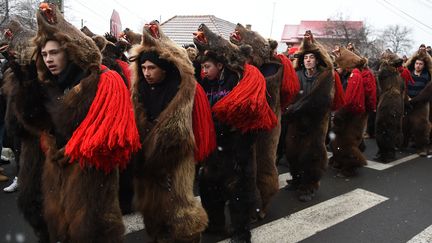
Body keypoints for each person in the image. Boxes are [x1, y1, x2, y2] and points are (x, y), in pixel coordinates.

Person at [4, 3, 141, 242]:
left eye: (54, 52)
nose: (48, 59)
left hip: (91, 180)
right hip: (57, 179)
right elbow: (33, 123)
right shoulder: (47, 84)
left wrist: (73, 146)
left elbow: (105, 137)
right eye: (44, 54)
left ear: (69, 51)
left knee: (92, 232)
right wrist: (24, 81)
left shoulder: (101, 82)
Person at [129, 22, 215, 243]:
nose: (147, 73)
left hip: (175, 161)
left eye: (152, 68)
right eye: (144, 68)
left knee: (178, 208)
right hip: (146, 163)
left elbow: (180, 133)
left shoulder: (180, 91)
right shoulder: (138, 92)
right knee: (152, 208)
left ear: (164, 69)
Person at [285, 30, 344, 201]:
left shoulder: (326, 77)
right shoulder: (296, 75)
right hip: (297, 121)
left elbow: (324, 101)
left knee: (312, 155)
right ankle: (296, 180)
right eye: (305, 58)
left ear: (317, 60)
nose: (308, 60)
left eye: (311, 57)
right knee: (292, 152)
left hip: (316, 122)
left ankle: (309, 186)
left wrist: (300, 107)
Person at [403, 49, 432, 156]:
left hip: (421, 105)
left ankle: (422, 148)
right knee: (405, 124)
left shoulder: (427, 76)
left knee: (421, 127)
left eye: (420, 64)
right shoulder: (409, 73)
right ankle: (403, 144)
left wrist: (426, 54)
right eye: (417, 63)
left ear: (424, 66)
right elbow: (406, 65)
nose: (418, 65)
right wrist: (407, 98)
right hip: (408, 103)